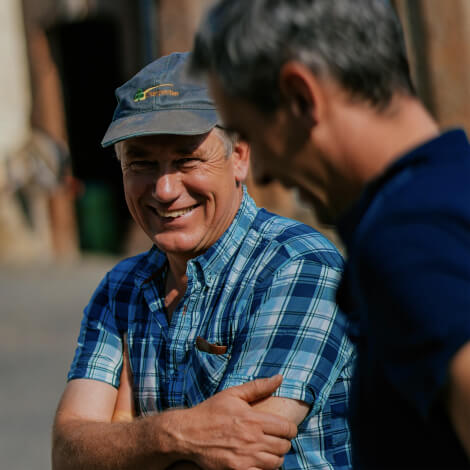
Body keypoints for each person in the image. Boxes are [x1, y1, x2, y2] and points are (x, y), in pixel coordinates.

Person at [190, 1, 470, 468]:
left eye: (250, 133)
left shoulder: (406, 240)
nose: (262, 171)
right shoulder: (451, 193)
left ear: (300, 96)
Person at [52, 52, 355, 470]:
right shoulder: (121, 288)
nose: (163, 188)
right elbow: (68, 453)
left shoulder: (299, 267)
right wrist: (177, 435)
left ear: (241, 156)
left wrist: (122, 434)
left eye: (187, 159)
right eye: (141, 162)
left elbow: (241, 457)